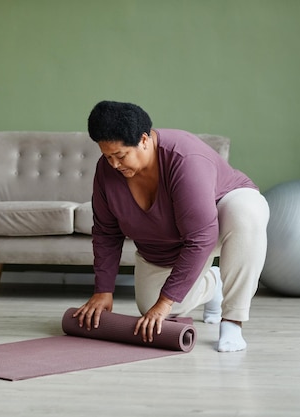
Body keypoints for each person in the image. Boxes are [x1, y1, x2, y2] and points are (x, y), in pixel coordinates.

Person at [73, 100, 269, 352]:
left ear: (144, 140)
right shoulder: (107, 172)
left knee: (246, 212)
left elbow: (202, 237)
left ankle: (232, 321)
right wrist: (103, 290)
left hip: (219, 224)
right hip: (167, 244)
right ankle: (212, 283)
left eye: (120, 155)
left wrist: (165, 301)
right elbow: (106, 233)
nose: (114, 164)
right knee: (150, 309)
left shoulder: (184, 159)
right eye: (107, 156)